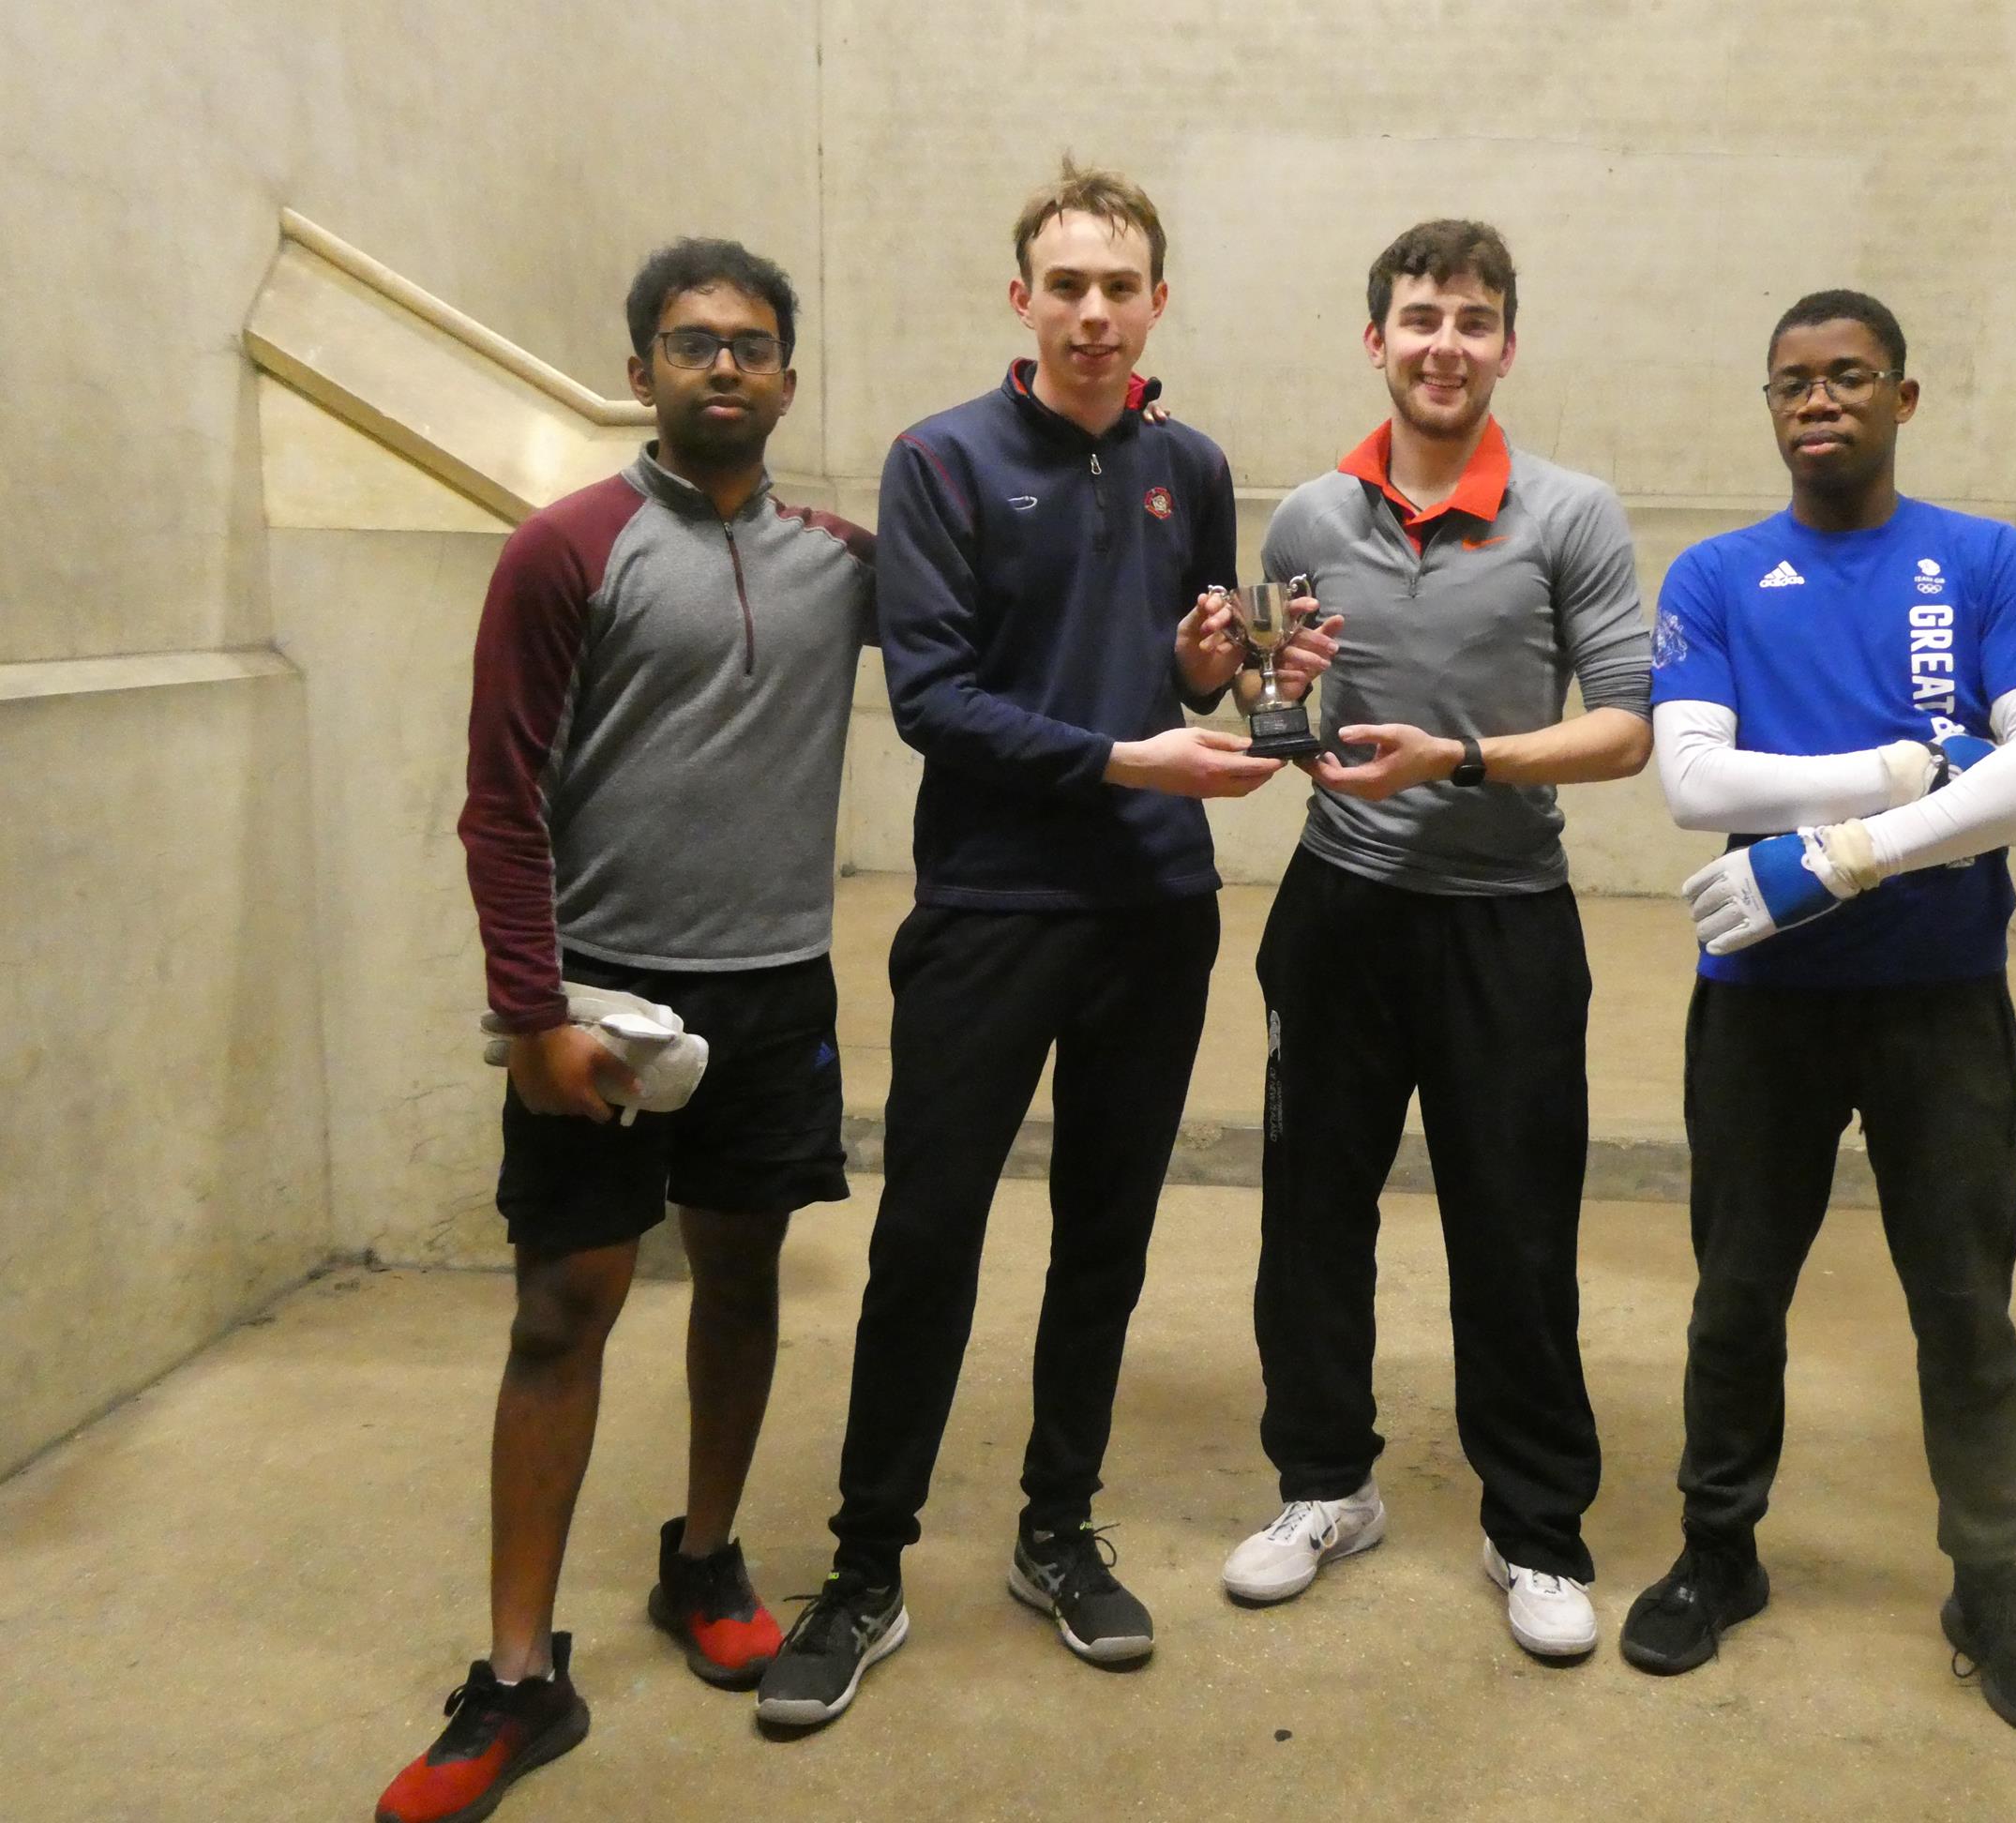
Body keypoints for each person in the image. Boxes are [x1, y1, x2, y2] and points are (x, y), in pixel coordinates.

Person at [755, 158, 1325, 1730]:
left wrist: (1205, 670)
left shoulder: (1190, 465)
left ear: (1156, 302)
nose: (1092, 311)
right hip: (992, 912)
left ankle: (1057, 1531)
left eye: (1118, 285)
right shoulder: (939, 463)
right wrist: (1134, 753)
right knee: (927, 1237)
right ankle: (866, 1566)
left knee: (1106, 1238)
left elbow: (1195, 674)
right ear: (1023, 300)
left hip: (1156, 914)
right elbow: (934, 702)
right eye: (1064, 284)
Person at [377, 240, 873, 1823]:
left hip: (777, 988)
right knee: (560, 1313)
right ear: (644, 370)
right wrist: (531, 1017)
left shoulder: (847, 562)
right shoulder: (565, 551)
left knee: (740, 1284)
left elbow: (1009, 648)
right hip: (602, 997)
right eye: (688, 344)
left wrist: (1185, 670)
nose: (720, 367)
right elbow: (498, 803)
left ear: (788, 377)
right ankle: (519, 1679)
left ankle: (705, 1558)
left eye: (748, 346)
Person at [1618, 289, 2016, 1740]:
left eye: (1847, 377)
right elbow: (1698, 785)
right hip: (1763, 1006)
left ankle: (1991, 1587)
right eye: (1790, 384)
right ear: (1770, 407)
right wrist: (1903, 778)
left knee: (1963, 1309)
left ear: (1904, 396)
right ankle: (1719, 1553)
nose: (1816, 401)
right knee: (1737, 1294)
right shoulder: (1712, 576)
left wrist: (1848, 857)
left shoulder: (1987, 559)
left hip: (1942, 1001)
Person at [1216, 219, 1651, 1660]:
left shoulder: (1571, 513)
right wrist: (1273, 706)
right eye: (1419, 318)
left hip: (1507, 927)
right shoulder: (1306, 520)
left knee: (1516, 1238)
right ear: (1376, 340)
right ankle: (1326, 1486)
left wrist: (1459, 760)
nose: (1443, 344)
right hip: (1338, 915)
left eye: (1472, 320)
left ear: (1506, 345)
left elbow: (1623, 731)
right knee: (1312, 1215)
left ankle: (1535, 1533)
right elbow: (1291, 713)